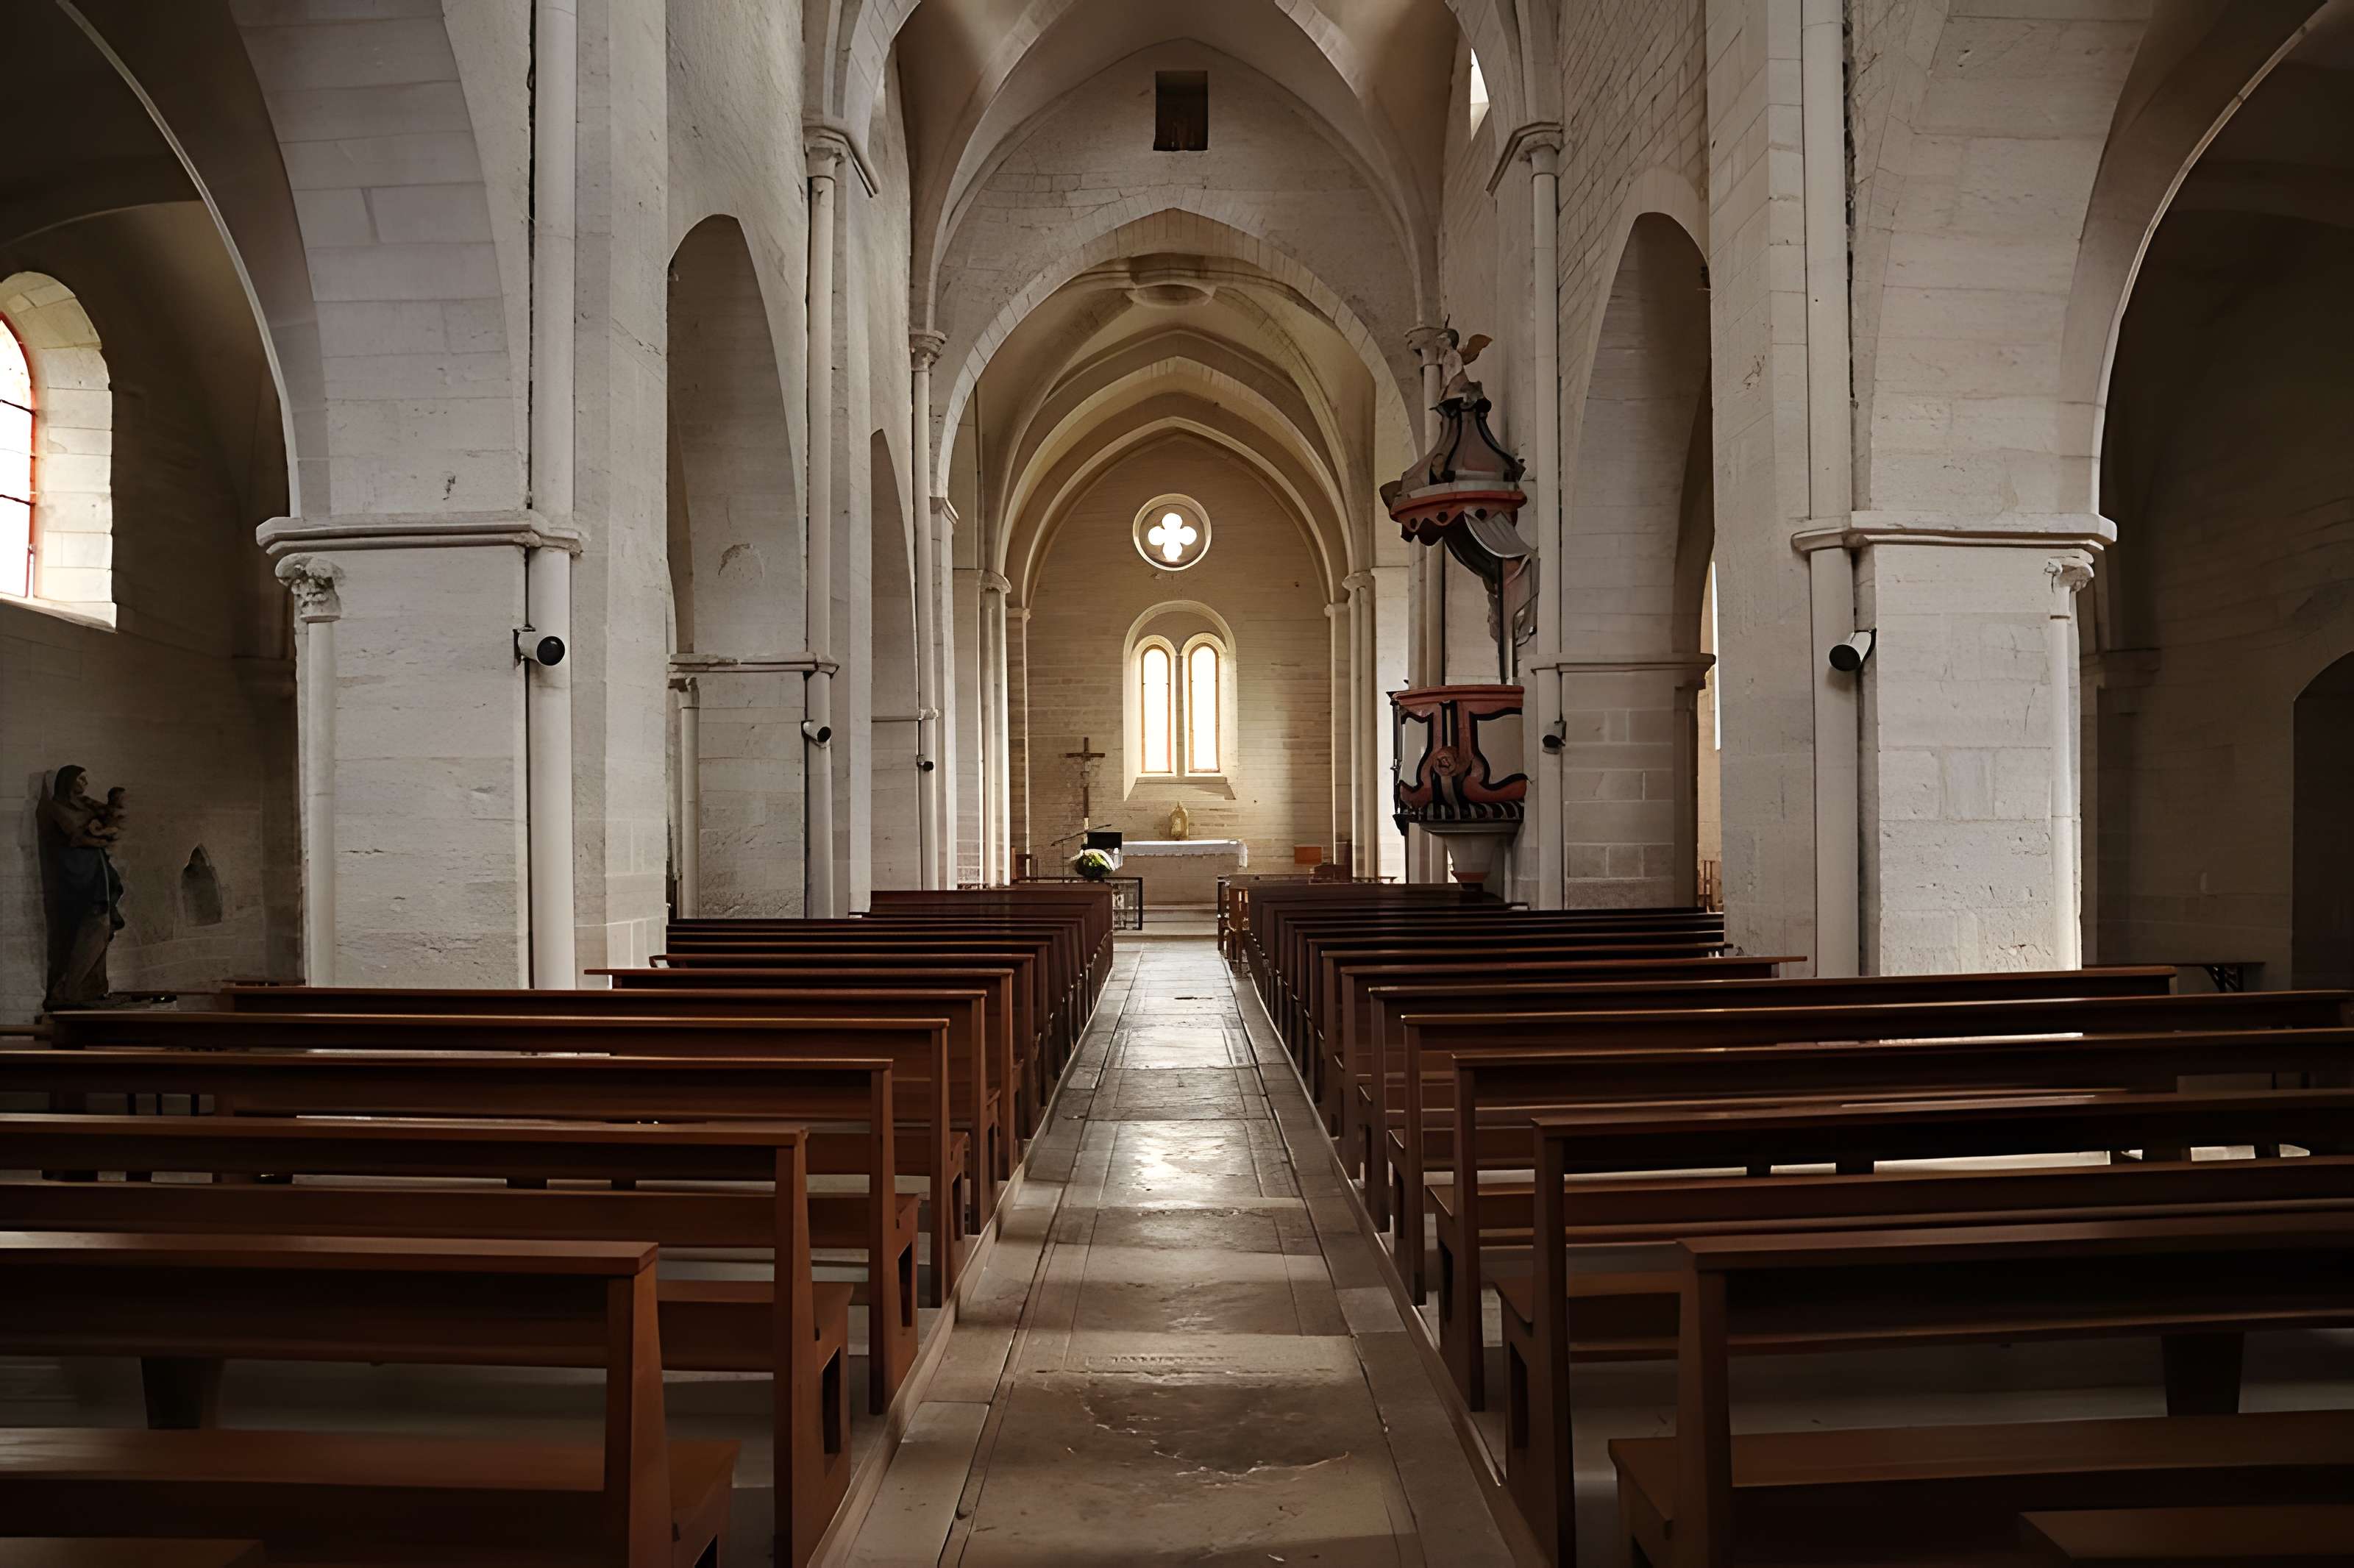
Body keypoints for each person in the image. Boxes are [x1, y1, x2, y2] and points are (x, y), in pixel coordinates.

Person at [37, 764, 123, 1011]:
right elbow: (75, 835)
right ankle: (68, 989)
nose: (84, 782)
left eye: (86, 779)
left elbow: (106, 821)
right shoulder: (58, 806)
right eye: (80, 778)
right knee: (94, 927)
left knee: (104, 931)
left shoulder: (85, 804)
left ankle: (93, 988)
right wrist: (99, 838)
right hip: (77, 872)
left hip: (95, 869)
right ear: (67, 781)